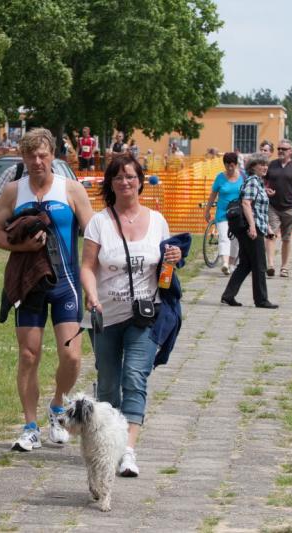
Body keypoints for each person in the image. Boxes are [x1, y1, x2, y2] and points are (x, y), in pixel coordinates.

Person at [0, 128, 93, 452]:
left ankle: (57, 405)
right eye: (31, 155)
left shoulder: (71, 189)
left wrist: (96, 280)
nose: (37, 161)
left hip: (66, 284)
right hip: (29, 284)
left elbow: (93, 235)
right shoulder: (13, 191)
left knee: (71, 356)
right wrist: (23, 247)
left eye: (42, 155)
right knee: (28, 354)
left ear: (52, 156)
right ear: (23, 158)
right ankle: (30, 426)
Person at [80, 154, 182, 477]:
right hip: (105, 315)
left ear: (141, 181)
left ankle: (127, 450)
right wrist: (91, 295)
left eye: (131, 176)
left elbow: (164, 267)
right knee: (109, 385)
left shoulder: (158, 221)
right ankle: (108, 443)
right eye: (119, 177)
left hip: (145, 315)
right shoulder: (99, 222)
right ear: (111, 183)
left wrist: (174, 257)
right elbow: (87, 266)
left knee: (135, 378)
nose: (125, 182)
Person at [220, 152, 278, 309]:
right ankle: (261, 300)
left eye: (266, 164)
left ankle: (228, 295)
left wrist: (267, 227)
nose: (265, 167)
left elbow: (258, 209)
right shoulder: (253, 181)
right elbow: (246, 203)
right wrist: (252, 226)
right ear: (253, 167)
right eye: (261, 164)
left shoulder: (258, 182)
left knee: (245, 264)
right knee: (259, 264)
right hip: (251, 228)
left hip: (254, 226)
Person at [265, 139, 292, 278]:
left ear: (290, 151)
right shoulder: (271, 165)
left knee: (286, 238)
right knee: (270, 235)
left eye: (284, 149)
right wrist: (265, 190)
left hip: (290, 208)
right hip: (272, 206)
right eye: (279, 148)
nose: (281, 151)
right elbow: (263, 182)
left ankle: (284, 267)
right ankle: (270, 265)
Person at [204, 152, 243, 274]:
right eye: (227, 165)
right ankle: (225, 263)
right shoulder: (220, 178)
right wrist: (207, 210)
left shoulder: (243, 176)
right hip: (222, 213)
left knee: (235, 240)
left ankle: (232, 263)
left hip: (237, 213)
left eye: (232, 165)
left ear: (236, 164)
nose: (230, 168)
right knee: (224, 237)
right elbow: (213, 195)